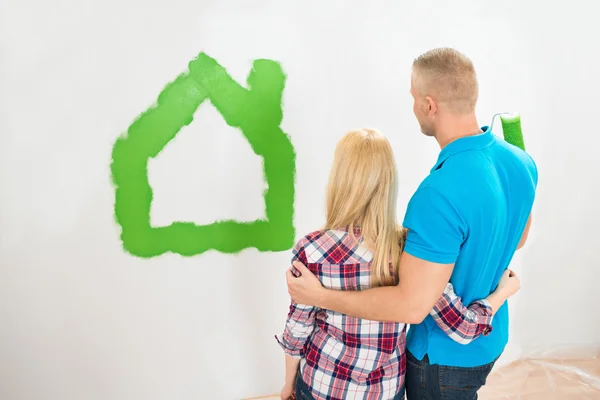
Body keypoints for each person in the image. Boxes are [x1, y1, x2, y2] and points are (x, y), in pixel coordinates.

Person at [285, 48, 538, 400]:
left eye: (413, 97)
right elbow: (519, 237)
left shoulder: (437, 193)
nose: (413, 105)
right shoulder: (522, 161)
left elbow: (413, 306)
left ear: (429, 105)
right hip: (491, 341)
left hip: (441, 358)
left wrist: (321, 296)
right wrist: (501, 293)